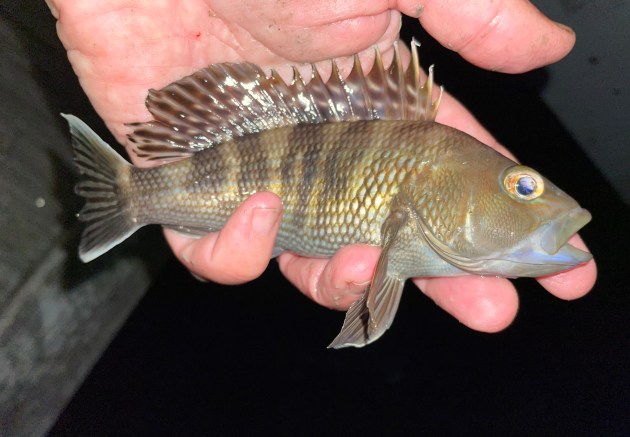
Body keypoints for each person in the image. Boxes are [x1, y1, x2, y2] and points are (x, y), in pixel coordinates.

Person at [47, 0, 596, 333]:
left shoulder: (426, 180)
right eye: (522, 186)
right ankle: (127, 193)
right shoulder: (426, 157)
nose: (533, 195)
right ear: (445, 184)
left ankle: (127, 195)